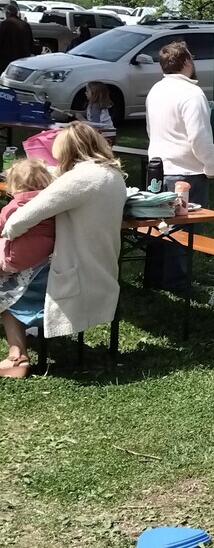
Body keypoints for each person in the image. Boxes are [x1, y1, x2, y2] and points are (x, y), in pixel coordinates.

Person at [0, 124, 127, 378]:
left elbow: (22, 218)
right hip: (100, 266)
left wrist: (7, 234)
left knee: (3, 287)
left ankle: (17, 356)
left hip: (70, 269)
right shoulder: (112, 176)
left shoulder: (80, 179)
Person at [145, 40, 214, 291]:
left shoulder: (156, 89)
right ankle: (177, 282)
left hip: (157, 167)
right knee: (184, 229)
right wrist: (212, 167)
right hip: (187, 171)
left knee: (158, 224)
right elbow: (199, 136)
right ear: (187, 61)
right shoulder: (192, 93)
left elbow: (149, 128)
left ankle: (156, 276)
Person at [0, 158, 57, 378]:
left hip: (19, 266)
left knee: (4, 294)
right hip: (48, 266)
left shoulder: (15, 206)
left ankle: (17, 355)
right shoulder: (52, 204)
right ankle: (17, 354)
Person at [0, 2, 35, 72]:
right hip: (23, 57)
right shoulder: (25, 25)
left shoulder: (5, 24)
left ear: (8, 13)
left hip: (8, 58)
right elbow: (31, 42)